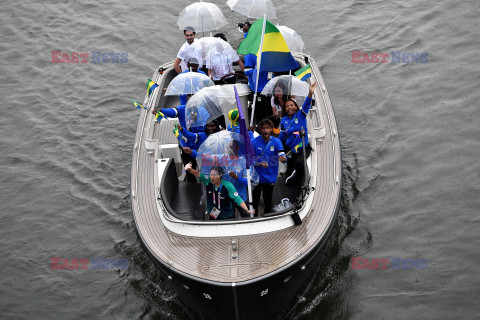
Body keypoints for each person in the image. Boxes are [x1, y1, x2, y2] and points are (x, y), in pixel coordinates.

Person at [279, 82, 317, 184]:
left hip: (303, 147)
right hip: (290, 147)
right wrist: (278, 146)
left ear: (296, 107)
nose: (290, 107)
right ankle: (289, 174)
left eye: (292, 105)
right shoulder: (284, 120)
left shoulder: (301, 115)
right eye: (287, 106)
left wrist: (310, 93)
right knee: (289, 165)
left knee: (299, 163)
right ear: (285, 109)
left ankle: (296, 178)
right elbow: (283, 135)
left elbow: (306, 105)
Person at [184, 164, 254, 219]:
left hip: (227, 215)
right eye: (211, 174)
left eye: (214, 175)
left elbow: (238, 199)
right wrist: (189, 169)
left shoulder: (228, 185)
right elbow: (197, 174)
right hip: (213, 212)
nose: (212, 177)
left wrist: (246, 210)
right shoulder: (208, 181)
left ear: (220, 175)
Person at [251, 118, 287, 214]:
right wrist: (259, 164)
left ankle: (267, 216)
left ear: (271, 129)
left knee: (268, 200)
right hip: (257, 177)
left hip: (270, 177)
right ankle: (253, 218)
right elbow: (250, 160)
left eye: (267, 128)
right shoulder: (254, 142)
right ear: (260, 130)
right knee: (255, 201)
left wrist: (283, 159)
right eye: (263, 128)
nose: (265, 130)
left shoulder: (276, 141)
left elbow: (282, 154)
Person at [244, 53, 270, 123]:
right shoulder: (249, 55)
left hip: (270, 87)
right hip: (257, 89)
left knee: (269, 111)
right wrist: (260, 69)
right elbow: (247, 72)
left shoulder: (267, 52)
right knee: (260, 113)